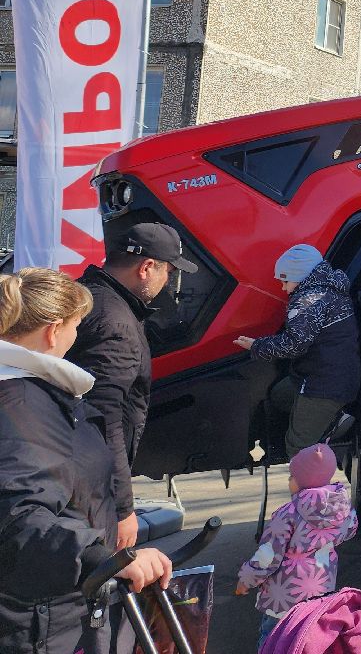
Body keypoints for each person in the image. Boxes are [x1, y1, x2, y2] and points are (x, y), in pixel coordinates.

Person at [1, 268, 172, 654]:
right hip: (38, 620)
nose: (77, 337)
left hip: (57, 605)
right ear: (53, 330)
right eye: (77, 326)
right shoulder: (20, 403)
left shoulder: (36, 394)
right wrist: (101, 556)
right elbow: (16, 518)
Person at [69, 223, 198, 551]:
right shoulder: (117, 325)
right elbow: (103, 421)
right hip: (88, 486)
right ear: (146, 268)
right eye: (167, 271)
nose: (168, 281)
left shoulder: (87, 294)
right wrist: (123, 508)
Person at [235, 246, 360, 457]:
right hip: (338, 376)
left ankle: (310, 488)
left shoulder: (308, 301)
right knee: (280, 395)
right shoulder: (331, 290)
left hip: (321, 386)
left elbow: (294, 344)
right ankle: (327, 421)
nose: (284, 288)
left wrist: (256, 346)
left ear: (301, 276)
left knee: (298, 448)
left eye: (285, 280)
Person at [236, 442, 358, 649]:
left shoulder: (288, 514)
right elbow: (349, 531)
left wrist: (246, 580)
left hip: (284, 595)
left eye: (292, 477)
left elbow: (267, 557)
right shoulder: (342, 510)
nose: (289, 481)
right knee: (309, 637)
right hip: (321, 589)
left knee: (273, 636)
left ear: (304, 481)